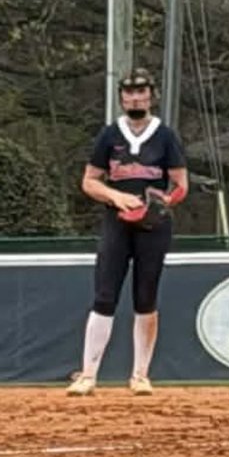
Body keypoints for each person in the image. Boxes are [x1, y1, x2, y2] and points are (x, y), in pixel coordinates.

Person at [67, 68, 188, 396]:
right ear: (121, 97)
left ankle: (140, 374)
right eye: (129, 92)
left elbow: (180, 185)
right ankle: (89, 374)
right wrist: (116, 196)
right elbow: (89, 180)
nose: (135, 97)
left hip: (153, 227)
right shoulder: (110, 135)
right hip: (116, 223)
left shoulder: (165, 136)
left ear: (151, 95)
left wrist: (162, 202)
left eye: (141, 91)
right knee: (105, 295)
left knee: (145, 297)